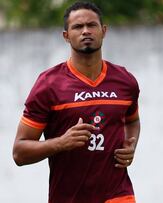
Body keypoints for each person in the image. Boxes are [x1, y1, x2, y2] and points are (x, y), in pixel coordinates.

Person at [12, 1, 140, 203]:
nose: (86, 31)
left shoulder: (125, 81)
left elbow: (132, 120)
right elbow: (19, 152)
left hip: (118, 194)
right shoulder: (48, 84)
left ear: (103, 31)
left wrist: (131, 145)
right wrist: (61, 143)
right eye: (78, 27)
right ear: (66, 36)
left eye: (92, 25)